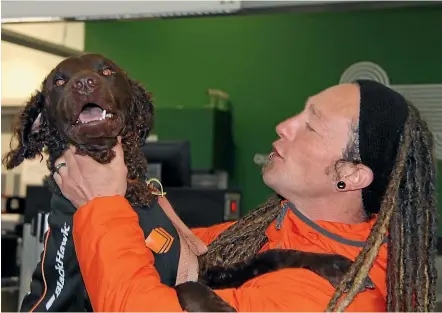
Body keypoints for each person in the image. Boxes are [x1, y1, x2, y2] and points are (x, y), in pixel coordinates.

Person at [53, 80, 437, 312]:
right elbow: (190, 250)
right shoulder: (278, 231)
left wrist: (101, 206)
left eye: (311, 125)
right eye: (298, 114)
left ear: (352, 175)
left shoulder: (330, 295)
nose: (284, 126)